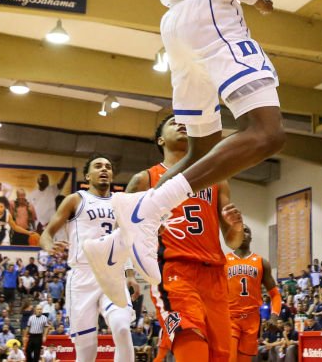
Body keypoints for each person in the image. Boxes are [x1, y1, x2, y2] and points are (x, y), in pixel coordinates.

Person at [95, 0, 286, 288]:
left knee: (201, 147)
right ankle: (152, 209)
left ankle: (127, 228)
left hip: (176, 25)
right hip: (211, 15)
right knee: (267, 133)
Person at [115, 115, 244, 362]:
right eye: (174, 121)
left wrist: (236, 227)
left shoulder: (217, 179)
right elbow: (122, 230)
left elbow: (233, 241)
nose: (182, 122)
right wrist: (129, 271)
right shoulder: (145, 179)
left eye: (185, 120)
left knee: (221, 356)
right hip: (173, 271)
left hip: (215, 275)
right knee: (191, 343)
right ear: (160, 139)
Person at [41, 156, 135, 362]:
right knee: (86, 350)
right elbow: (46, 233)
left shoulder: (120, 202)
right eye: (98, 166)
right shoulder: (76, 199)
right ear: (87, 175)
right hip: (82, 276)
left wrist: (130, 274)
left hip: (112, 273)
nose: (104, 170)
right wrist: (49, 246)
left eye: (108, 167)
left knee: (121, 327)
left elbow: (124, 240)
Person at [225, 225, 281, 362]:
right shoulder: (223, 260)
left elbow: (275, 295)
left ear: (251, 237)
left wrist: (274, 316)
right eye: (239, 231)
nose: (243, 233)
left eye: (246, 230)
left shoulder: (262, 263)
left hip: (252, 320)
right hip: (230, 317)